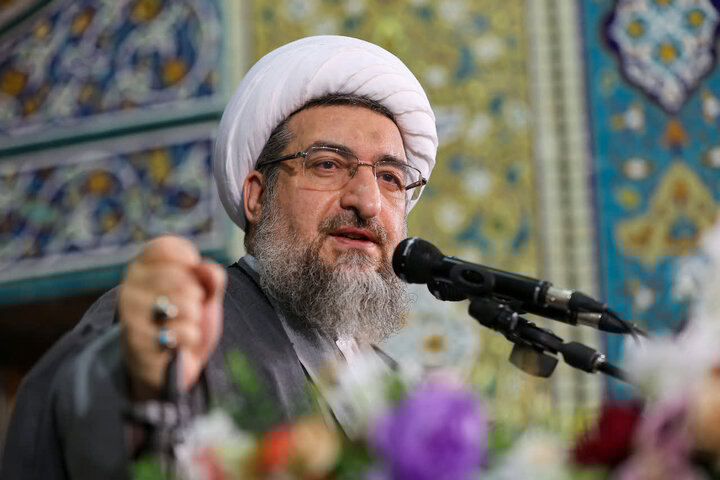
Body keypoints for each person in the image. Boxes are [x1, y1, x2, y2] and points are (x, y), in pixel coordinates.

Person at [0, 35, 438, 479]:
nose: (367, 201)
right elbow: (77, 413)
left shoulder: (396, 388)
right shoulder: (175, 317)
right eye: (327, 164)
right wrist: (137, 382)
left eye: (389, 177)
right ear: (257, 197)